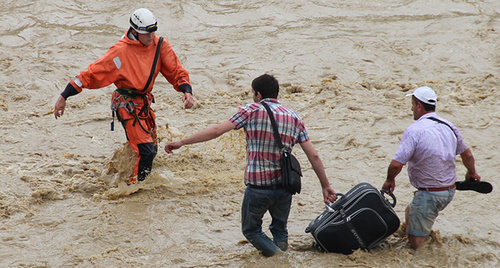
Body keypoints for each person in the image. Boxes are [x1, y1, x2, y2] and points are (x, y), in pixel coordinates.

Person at [165, 74, 337, 257]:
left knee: (251, 231)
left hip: (258, 187)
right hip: (285, 187)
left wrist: (182, 142)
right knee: (280, 229)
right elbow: (314, 155)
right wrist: (325, 186)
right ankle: (280, 253)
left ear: (258, 93)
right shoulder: (294, 117)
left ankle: (279, 260)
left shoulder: (251, 110)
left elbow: (216, 131)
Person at [54, 8, 194, 185]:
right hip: (126, 105)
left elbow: (175, 71)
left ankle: (128, 172)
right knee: (146, 151)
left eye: (153, 31)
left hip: (143, 103)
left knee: (153, 149)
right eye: (146, 32)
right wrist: (64, 95)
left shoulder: (160, 46)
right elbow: (91, 74)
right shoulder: (120, 53)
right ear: (134, 31)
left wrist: (186, 91)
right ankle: (133, 188)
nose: (151, 36)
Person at [382, 86, 481, 250]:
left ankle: (425, 253)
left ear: (419, 106)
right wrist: (472, 172)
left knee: (417, 246)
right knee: (412, 211)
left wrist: (389, 180)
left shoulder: (414, 131)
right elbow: (468, 155)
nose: (411, 108)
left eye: (413, 104)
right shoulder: (449, 126)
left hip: (430, 194)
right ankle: (414, 230)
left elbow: (396, 164)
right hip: (449, 191)